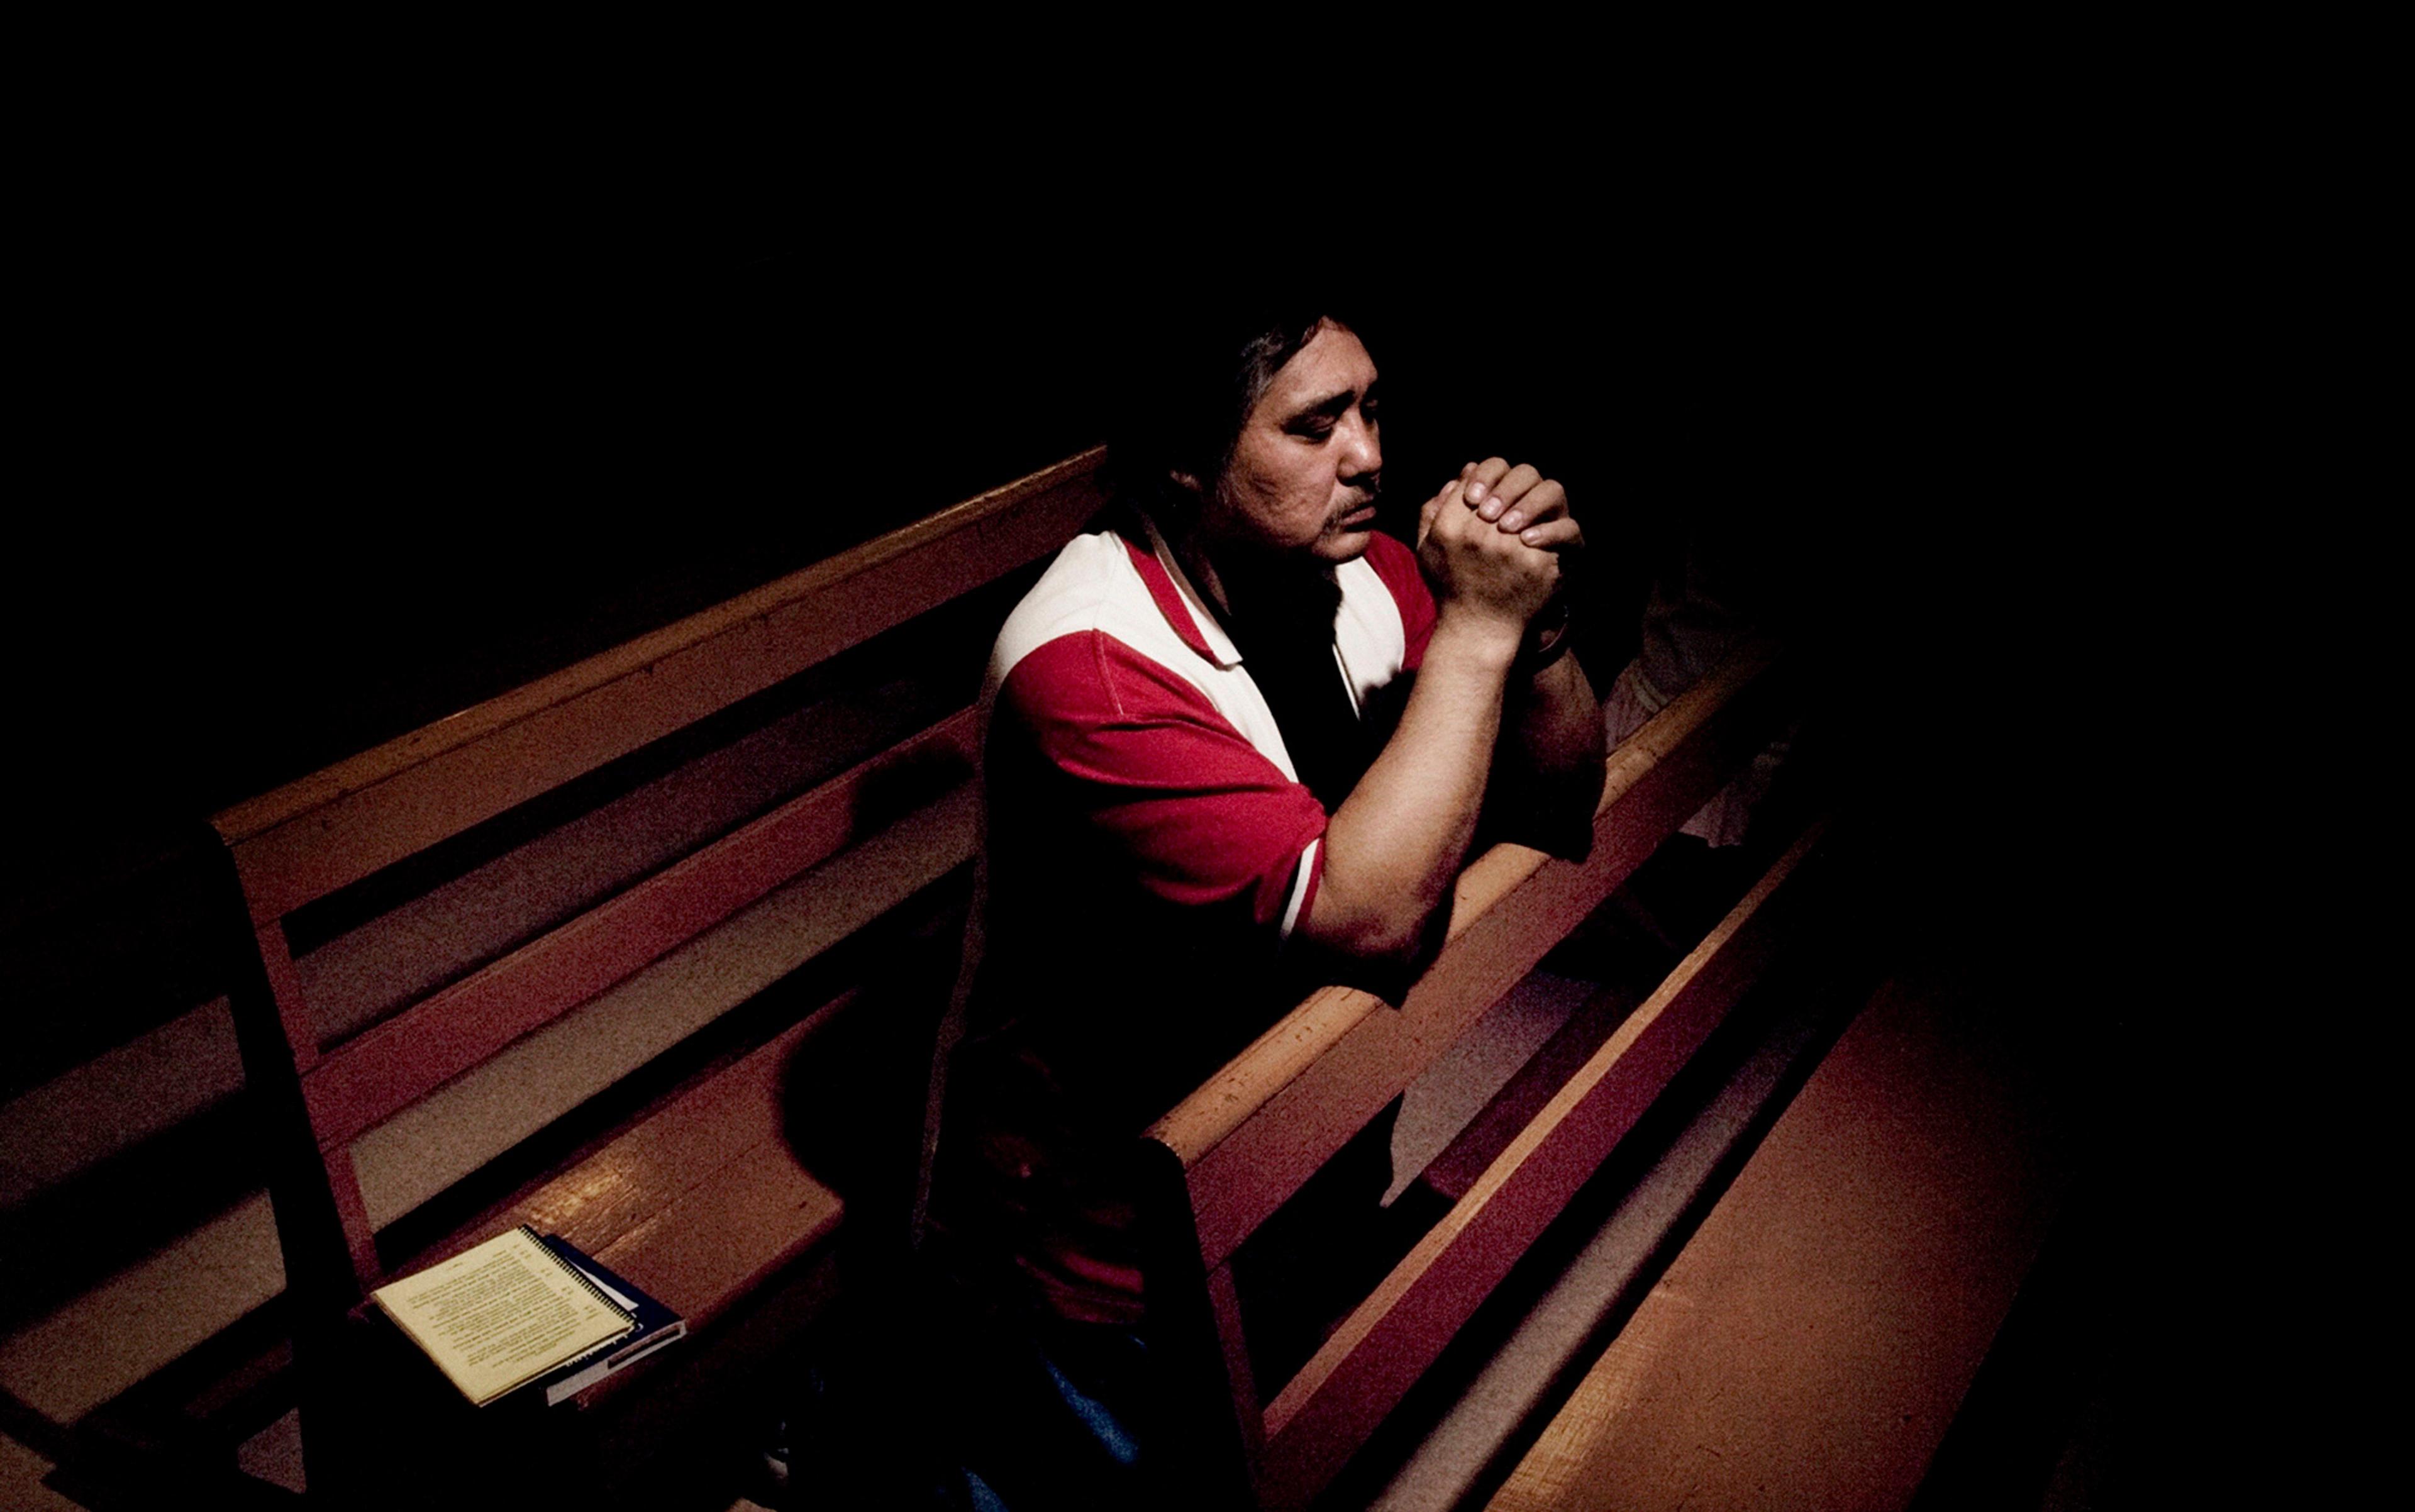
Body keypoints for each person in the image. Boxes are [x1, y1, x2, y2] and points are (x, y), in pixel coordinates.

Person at [924, 298, 1604, 1505]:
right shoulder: (1095, 667)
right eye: (1314, 424)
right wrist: (1480, 635)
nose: (1373, 456)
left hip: (1303, 1153)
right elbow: (1373, 916)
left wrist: (1538, 625)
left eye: (1373, 407)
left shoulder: (1354, 571)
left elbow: (1559, 809)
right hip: (1108, 1257)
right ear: (1185, 461)